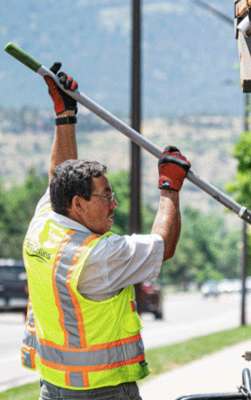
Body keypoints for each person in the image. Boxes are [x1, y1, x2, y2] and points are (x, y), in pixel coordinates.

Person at [20, 62, 190, 400]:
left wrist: (64, 116)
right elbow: (163, 246)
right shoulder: (98, 257)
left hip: (53, 385)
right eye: (106, 196)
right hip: (101, 391)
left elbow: (59, 175)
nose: (114, 204)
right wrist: (170, 188)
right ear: (78, 205)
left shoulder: (43, 224)